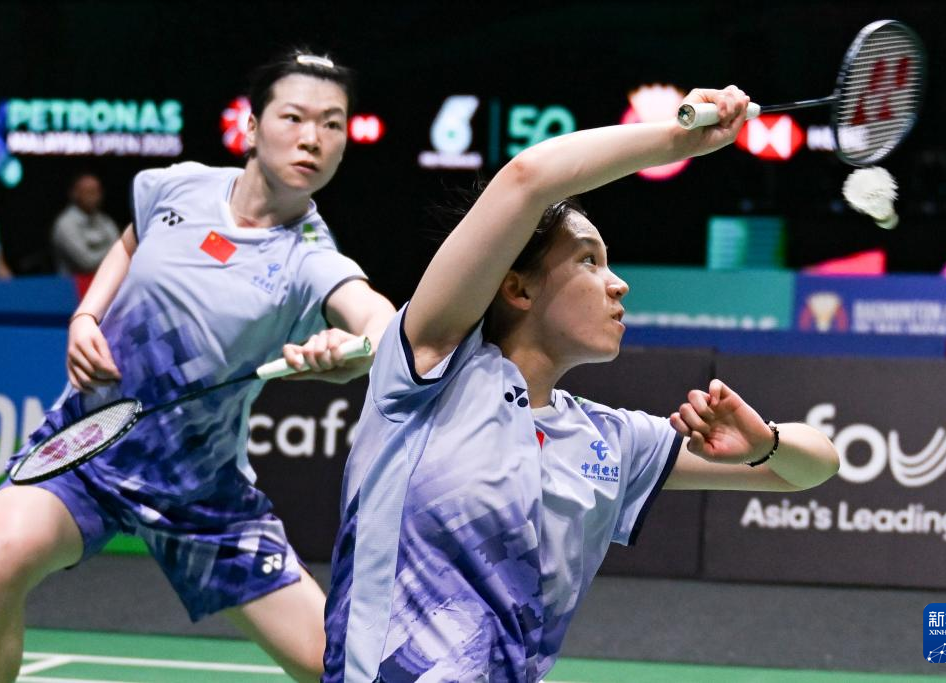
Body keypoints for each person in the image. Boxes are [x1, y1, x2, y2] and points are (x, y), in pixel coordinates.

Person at [322, 86, 840, 682]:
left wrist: (765, 444)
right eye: (589, 261)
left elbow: (813, 468)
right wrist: (677, 141)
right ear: (518, 288)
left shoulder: (610, 440)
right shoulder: (428, 372)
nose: (618, 284)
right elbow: (527, 179)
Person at [0, 49, 396, 683]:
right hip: (90, 450)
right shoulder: (178, 186)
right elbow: (132, 241)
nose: (312, 137)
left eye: (332, 124)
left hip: (201, 494)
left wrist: (353, 349)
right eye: (294, 117)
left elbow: (375, 320)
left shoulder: (311, 257)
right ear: (251, 127)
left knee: (333, 665)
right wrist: (86, 315)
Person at [51, 172, 121, 276]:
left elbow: (122, 253)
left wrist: (118, 252)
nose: (93, 196)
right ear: (75, 193)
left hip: (106, 280)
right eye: (88, 192)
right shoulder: (65, 224)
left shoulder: (106, 221)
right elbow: (87, 263)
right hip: (75, 284)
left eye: (96, 191)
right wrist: (115, 252)